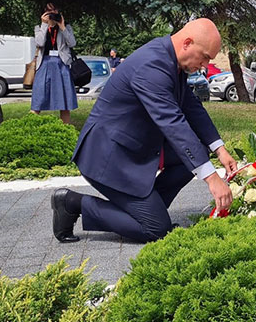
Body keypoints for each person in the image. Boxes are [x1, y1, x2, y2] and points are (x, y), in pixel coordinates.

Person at [50, 18, 239, 243]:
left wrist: (220, 149)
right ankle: (71, 203)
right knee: (155, 230)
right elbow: (173, 123)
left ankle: (148, 210)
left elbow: (191, 107)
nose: (206, 65)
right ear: (187, 43)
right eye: (206, 56)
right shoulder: (152, 65)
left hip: (133, 149)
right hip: (108, 158)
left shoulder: (170, 58)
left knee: (194, 153)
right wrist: (211, 179)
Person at [31, 2, 78, 125]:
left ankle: (66, 131)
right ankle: (29, 130)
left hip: (61, 64)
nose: (52, 12)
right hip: (44, 64)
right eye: (49, 10)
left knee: (65, 103)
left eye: (54, 10)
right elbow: (39, 43)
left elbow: (72, 43)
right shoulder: (39, 28)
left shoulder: (66, 27)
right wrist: (44, 24)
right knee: (38, 99)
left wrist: (62, 27)